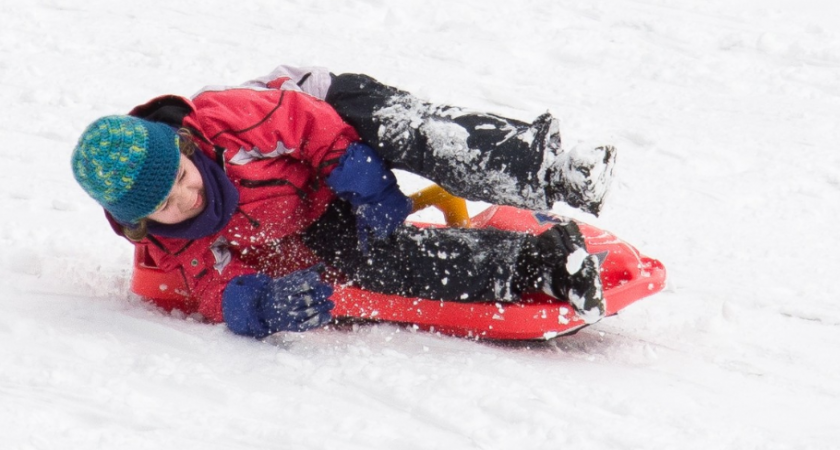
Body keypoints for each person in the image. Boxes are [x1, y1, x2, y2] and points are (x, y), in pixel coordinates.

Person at [70, 65, 616, 339]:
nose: (187, 196)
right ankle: (544, 262)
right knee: (371, 263)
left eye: (183, 176)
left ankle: (549, 169)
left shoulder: (226, 121)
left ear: (186, 147)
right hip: (312, 208)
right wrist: (259, 305)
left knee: (408, 133)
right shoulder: (174, 240)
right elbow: (214, 286)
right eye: (166, 205)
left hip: (325, 112)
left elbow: (312, 127)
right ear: (143, 223)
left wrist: (371, 186)